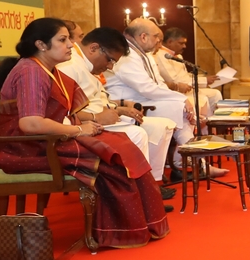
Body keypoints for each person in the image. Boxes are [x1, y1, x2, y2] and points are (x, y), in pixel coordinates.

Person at [0, 19, 169, 249]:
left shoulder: (44, 69)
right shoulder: (31, 72)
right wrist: (77, 130)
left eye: (69, 39)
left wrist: (85, 124)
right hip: (23, 146)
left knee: (121, 143)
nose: (71, 45)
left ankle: (136, 222)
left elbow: (60, 114)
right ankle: (119, 230)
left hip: (43, 140)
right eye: (63, 40)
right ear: (41, 45)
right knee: (111, 158)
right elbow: (30, 123)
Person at [59, 26, 178, 184]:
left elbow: (98, 100)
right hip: (84, 126)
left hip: (100, 119)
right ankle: (135, 189)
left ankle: (153, 184)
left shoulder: (86, 65)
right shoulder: (69, 67)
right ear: (94, 48)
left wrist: (119, 109)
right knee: (138, 133)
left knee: (162, 125)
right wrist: (98, 117)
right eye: (110, 60)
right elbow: (62, 112)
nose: (110, 67)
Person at [106, 18, 202, 161]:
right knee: (180, 107)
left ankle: (190, 162)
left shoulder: (146, 54)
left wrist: (179, 98)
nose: (159, 41)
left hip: (145, 100)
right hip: (131, 103)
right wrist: (181, 98)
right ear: (143, 37)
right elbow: (146, 88)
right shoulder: (126, 54)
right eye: (156, 36)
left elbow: (159, 83)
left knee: (181, 107)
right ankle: (191, 162)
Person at [157, 27, 222, 117]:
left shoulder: (178, 56)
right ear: (170, 42)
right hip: (177, 91)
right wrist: (205, 81)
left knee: (215, 94)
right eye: (181, 43)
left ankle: (215, 123)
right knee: (203, 98)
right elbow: (175, 80)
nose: (184, 46)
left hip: (187, 88)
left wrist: (205, 79)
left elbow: (186, 76)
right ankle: (204, 129)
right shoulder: (160, 55)